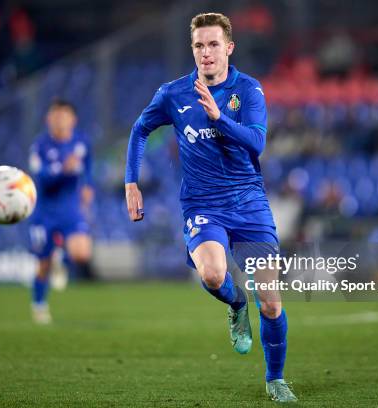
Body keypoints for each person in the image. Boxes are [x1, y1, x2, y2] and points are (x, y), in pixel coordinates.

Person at [124, 13, 297, 403]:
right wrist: (131, 181)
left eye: (214, 44)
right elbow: (139, 130)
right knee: (215, 274)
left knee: (270, 303)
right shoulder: (173, 94)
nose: (206, 53)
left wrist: (219, 119)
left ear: (229, 48)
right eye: (199, 45)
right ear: (193, 49)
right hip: (202, 204)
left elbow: (256, 143)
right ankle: (235, 303)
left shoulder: (249, 90)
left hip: (249, 202)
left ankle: (275, 379)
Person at [28, 100, 94, 324]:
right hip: (45, 211)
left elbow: (89, 168)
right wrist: (62, 170)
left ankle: (62, 260)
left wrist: (88, 187)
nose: (59, 120)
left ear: (73, 119)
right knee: (43, 265)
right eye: (55, 115)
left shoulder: (81, 142)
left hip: (71, 209)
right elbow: (42, 178)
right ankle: (39, 305)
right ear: (48, 119)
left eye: (64, 115)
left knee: (82, 253)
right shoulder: (40, 146)